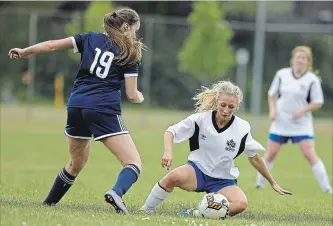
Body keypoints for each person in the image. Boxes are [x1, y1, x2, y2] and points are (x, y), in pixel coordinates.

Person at [9, 7, 145, 214]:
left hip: (76, 105)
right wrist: (141, 97)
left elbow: (52, 45)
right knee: (133, 163)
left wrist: (25, 51)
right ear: (126, 27)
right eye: (135, 30)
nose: (135, 35)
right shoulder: (130, 53)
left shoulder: (89, 38)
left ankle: (48, 206)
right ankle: (117, 192)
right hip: (102, 108)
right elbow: (132, 95)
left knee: (76, 163)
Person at [140, 81, 292, 217]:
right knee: (172, 177)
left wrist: (272, 182)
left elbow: (254, 158)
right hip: (197, 171)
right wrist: (168, 151)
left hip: (223, 180)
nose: (226, 110)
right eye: (223, 105)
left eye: (231, 107)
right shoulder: (201, 119)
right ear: (217, 102)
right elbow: (171, 131)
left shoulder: (243, 128)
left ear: (237, 106)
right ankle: (146, 210)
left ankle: (197, 213)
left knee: (241, 204)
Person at [255, 46, 332, 194]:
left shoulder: (312, 80)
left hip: (301, 124)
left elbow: (318, 102)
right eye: (298, 57)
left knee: (309, 154)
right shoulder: (282, 75)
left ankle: (326, 187)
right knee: (270, 153)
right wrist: (272, 110)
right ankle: (259, 184)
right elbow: (272, 94)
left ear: (308, 61)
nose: (300, 60)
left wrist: (302, 111)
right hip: (281, 122)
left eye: (303, 58)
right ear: (293, 59)